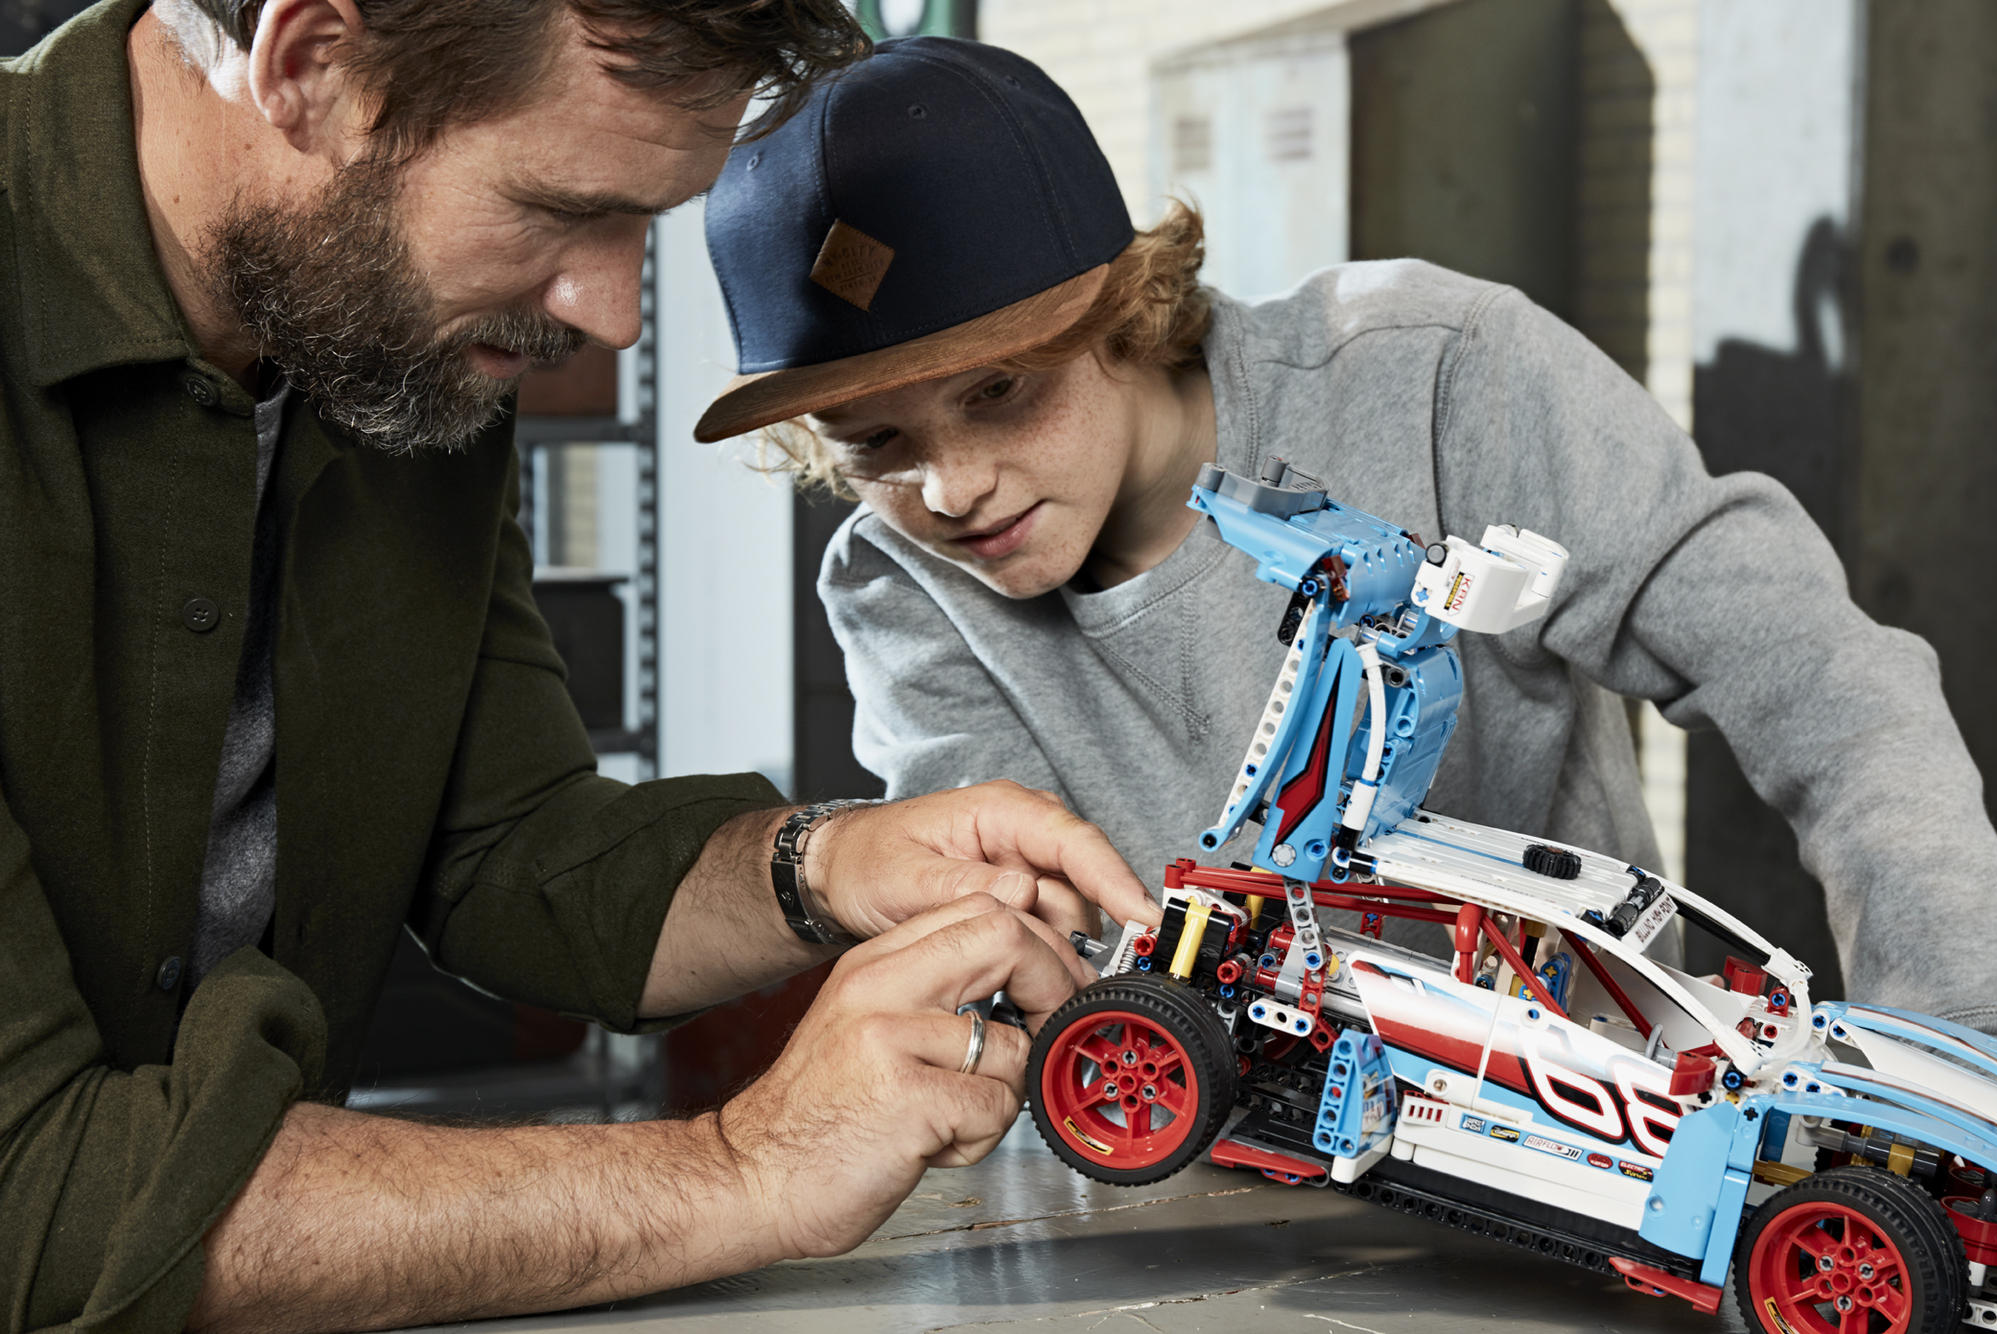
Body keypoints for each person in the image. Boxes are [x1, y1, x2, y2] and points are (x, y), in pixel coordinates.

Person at [0, 3, 1163, 1330]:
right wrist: (748, 1166)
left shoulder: (378, 336)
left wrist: (827, 864)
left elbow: (507, 850)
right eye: (558, 209)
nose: (611, 313)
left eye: (645, 225)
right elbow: (29, 1188)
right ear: (311, 63)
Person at [694, 37, 1997, 1036]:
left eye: (999, 392)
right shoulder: (898, 587)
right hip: (1203, 1202)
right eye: (876, 442)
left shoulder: (1439, 377)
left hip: (1585, 1137)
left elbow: (1823, 684)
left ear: (1123, 306)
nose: (953, 490)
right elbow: (1030, 959)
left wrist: (1949, 1054)